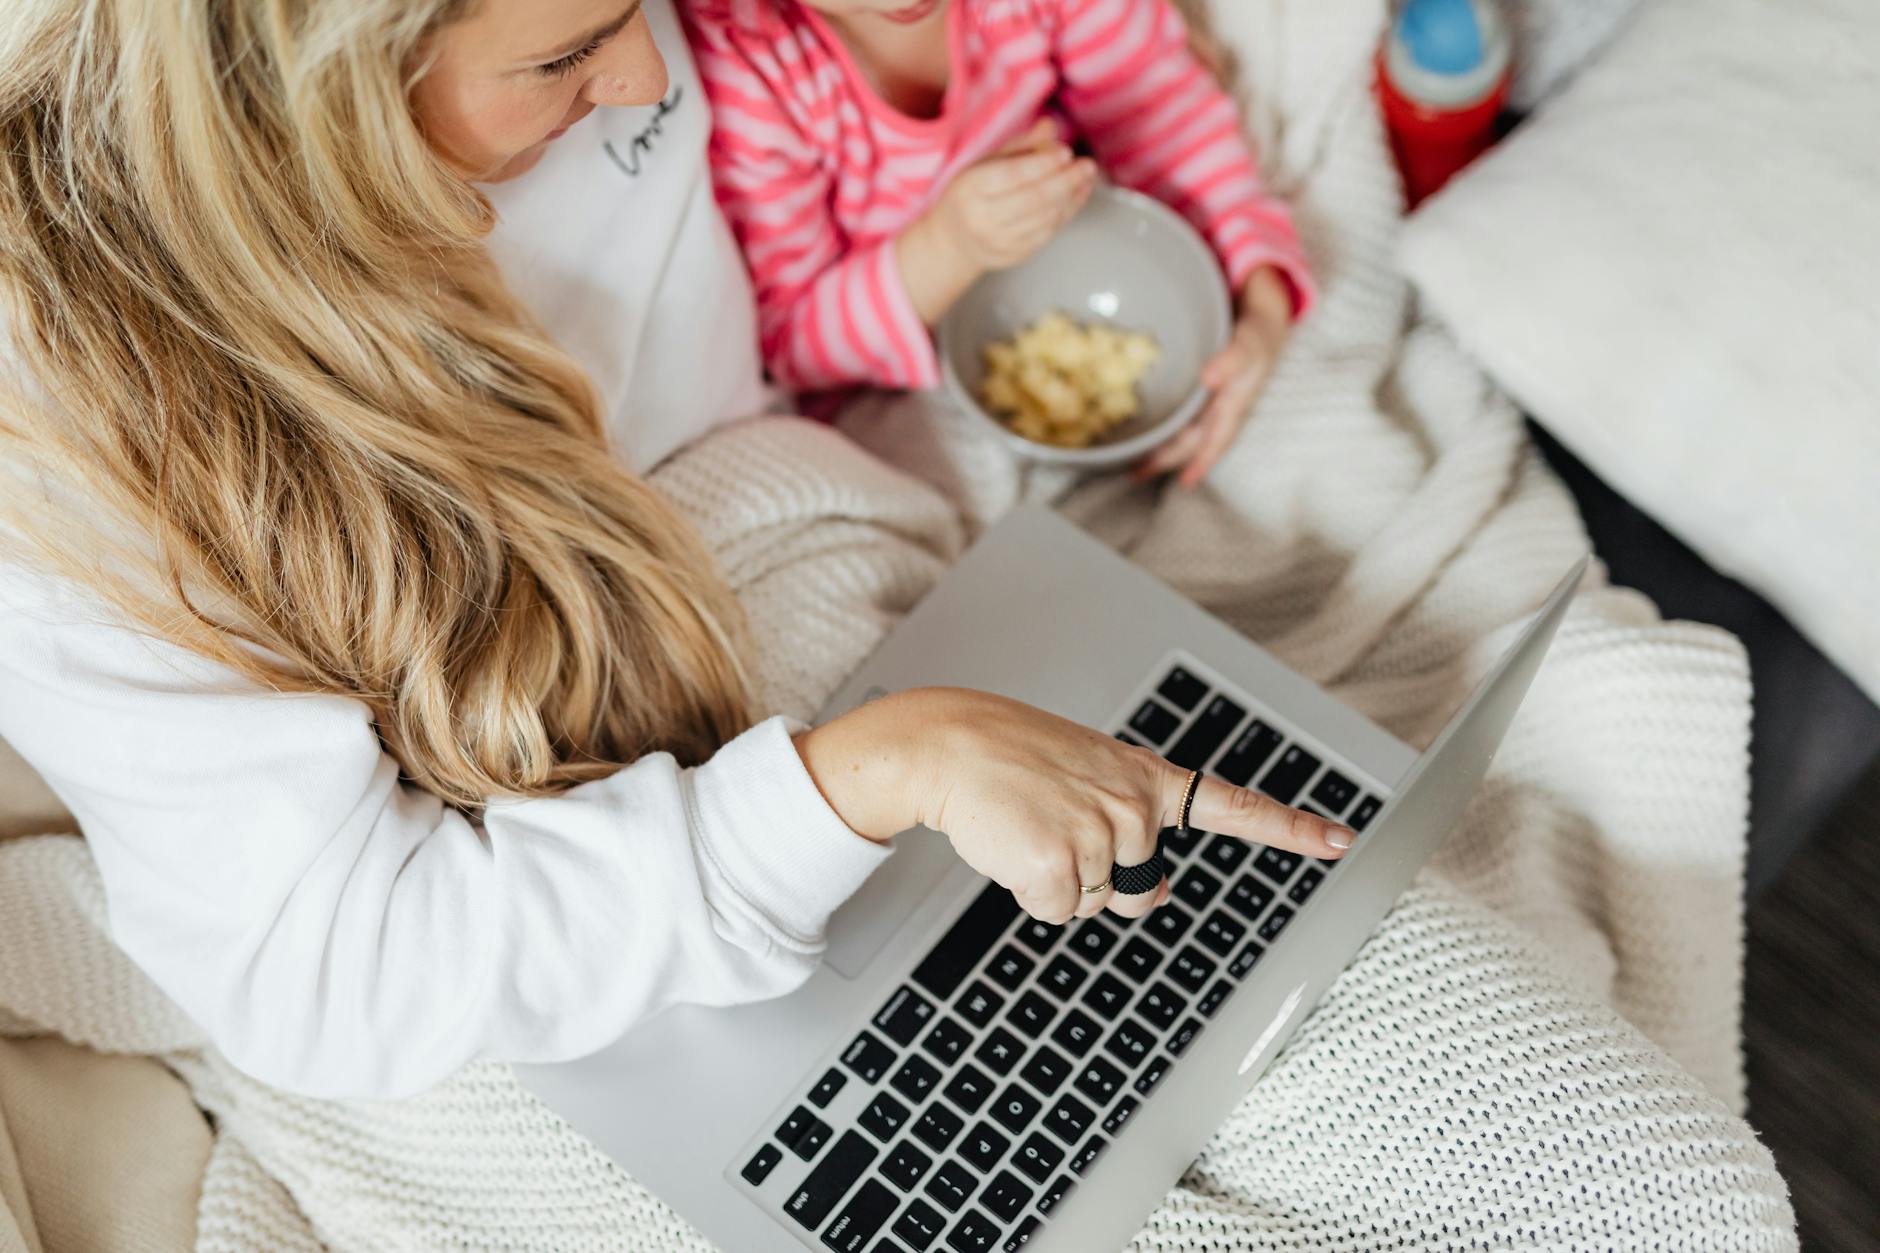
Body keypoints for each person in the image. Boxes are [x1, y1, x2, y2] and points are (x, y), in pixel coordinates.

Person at [0, 0, 1351, 1101]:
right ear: (318, 72)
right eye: (567, 54)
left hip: (806, 565)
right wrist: (889, 766)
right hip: (604, 889)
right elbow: (332, 984)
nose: (654, 72)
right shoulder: (75, 433)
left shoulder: (661, 59)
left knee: (1317, 951)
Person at [682, 0, 1315, 487]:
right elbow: (793, 342)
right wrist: (946, 248)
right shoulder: (749, 66)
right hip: (885, 385)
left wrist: (1260, 299)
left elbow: (1161, 107)